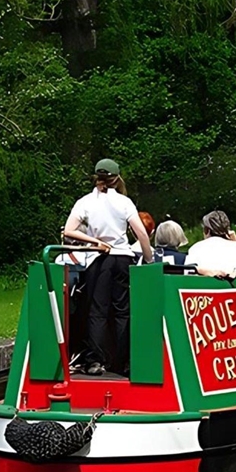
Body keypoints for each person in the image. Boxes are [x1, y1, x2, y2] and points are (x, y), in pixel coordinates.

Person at [63, 158, 153, 376]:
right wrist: (149, 260)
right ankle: (122, 362)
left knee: (97, 311)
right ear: (116, 178)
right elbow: (141, 233)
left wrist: (95, 243)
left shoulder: (85, 202)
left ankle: (95, 361)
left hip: (98, 259)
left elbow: (68, 230)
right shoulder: (124, 202)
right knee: (123, 311)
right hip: (122, 258)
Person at [185, 210, 236, 278]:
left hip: (205, 285)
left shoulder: (195, 248)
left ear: (207, 230)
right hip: (230, 284)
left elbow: (187, 272)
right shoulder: (235, 246)